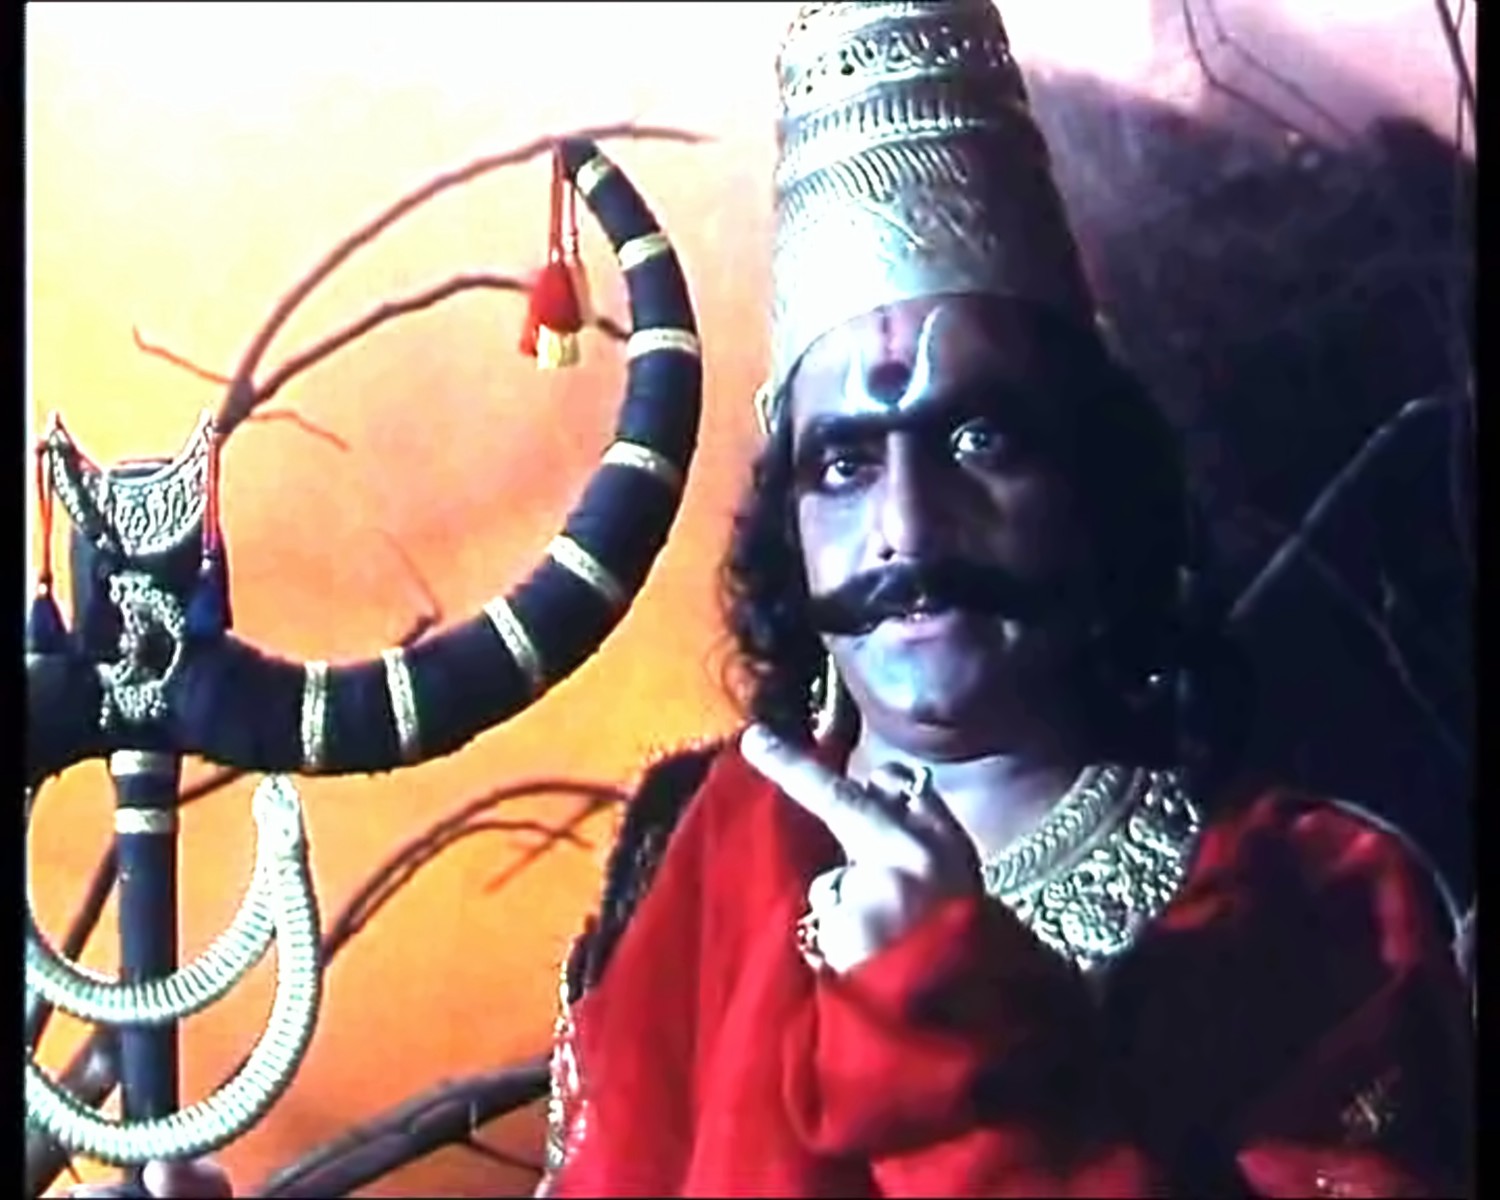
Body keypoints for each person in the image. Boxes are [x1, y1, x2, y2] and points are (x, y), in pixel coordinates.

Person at [91, 2, 1473, 1196]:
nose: (908, 528)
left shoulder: (1320, 902)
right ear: (789, 529)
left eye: (980, 438)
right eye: (845, 465)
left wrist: (941, 1023)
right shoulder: (705, 852)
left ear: (1098, 479)